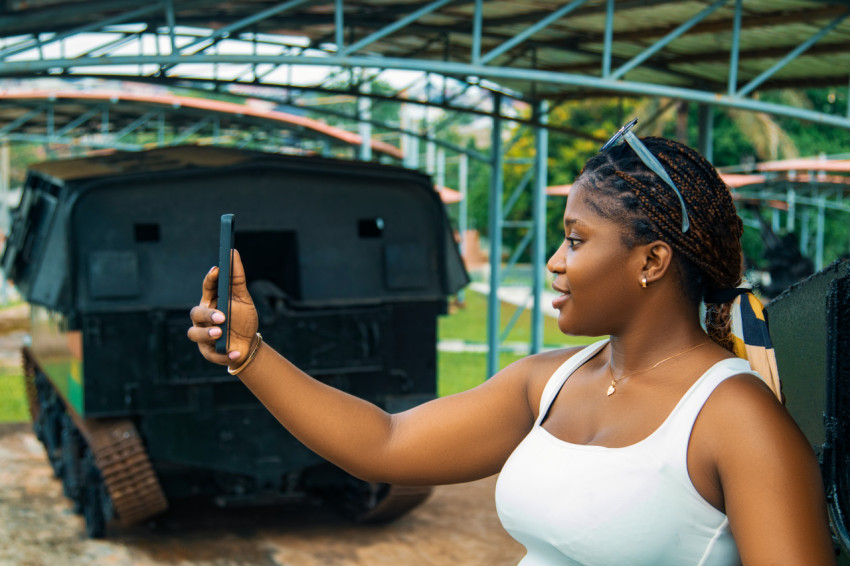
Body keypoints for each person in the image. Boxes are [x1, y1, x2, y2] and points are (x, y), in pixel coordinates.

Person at [188, 120, 836, 565]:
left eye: (576, 241)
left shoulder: (737, 421)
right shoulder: (547, 382)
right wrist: (250, 355)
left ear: (652, 261)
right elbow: (383, 446)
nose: (554, 263)